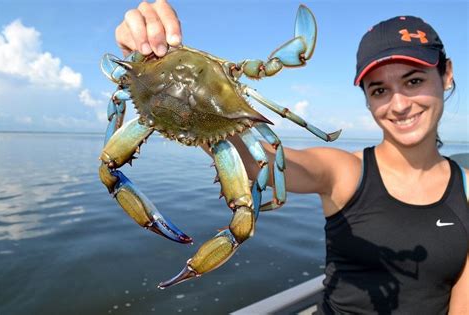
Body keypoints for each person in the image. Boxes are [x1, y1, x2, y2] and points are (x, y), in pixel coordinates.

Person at [115, 1, 468, 313]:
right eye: (379, 89)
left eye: (413, 81)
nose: (400, 103)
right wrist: (179, 83)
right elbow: (259, 162)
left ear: (446, 74)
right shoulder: (344, 171)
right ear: (366, 97)